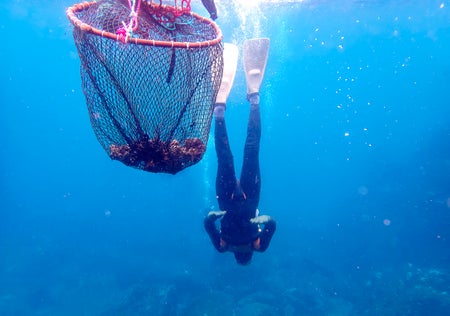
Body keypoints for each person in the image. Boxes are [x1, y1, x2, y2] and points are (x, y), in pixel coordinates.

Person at [204, 39, 276, 265]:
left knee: (250, 150)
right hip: (232, 197)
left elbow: (272, 225)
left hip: (242, 196)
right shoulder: (224, 247)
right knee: (227, 155)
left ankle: (253, 99)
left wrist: (267, 220)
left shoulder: (256, 247)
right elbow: (207, 224)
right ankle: (220, 110)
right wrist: (211, 218)